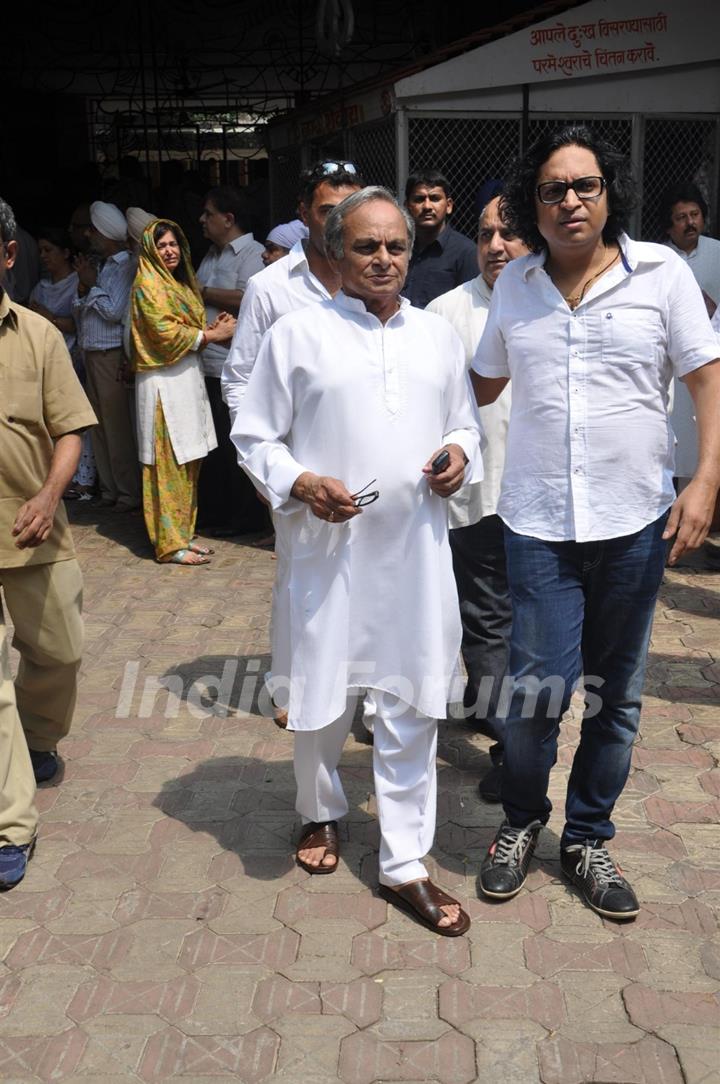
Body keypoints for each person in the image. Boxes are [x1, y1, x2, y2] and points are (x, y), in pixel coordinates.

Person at [471, 125, 720, 920]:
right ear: (531, 206)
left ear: (610, 195)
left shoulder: (663, 275)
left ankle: (587, 838)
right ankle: (519, 824)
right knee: (536, 694)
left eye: (585, 186)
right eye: (553, 189)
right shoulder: (515, 285)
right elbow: (477, 382)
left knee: (616, 697)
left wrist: (707, 478)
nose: (571, 200)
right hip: (539, 525)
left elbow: (706, 377)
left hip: (634, 524)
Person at [231, 187, 482, 936]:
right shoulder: (298, 336)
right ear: (337, 252)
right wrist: (301, 483)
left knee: (411, 706)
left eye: (395, 246)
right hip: (327, 551)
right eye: (366, 246)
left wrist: (458, 456)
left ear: (411, 252)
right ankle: (319, 810)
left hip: (413, 555)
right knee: (320, 694)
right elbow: (255, 437)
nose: (383, 259)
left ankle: (405, 862)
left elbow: (463, 419)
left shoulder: (436, 336)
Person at [427, 194, 529, 802]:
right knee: (488, 621)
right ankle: (507, 747)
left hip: (545, 503)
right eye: (487, 233)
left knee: (528, 626)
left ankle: (500, 718)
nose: (495, 245)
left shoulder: (554, 304)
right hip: (474, 497)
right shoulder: (444, 313)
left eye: (509, 234)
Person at [0, 195, 97, 813]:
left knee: (60, 651)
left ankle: (37, 740)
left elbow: (70, 430)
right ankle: (11, 818)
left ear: (8, 255)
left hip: (31, 525)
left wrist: (48, 494)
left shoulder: (37, 335)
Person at [221, 161, 364, 419]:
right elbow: (240, 380)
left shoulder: (374, 282)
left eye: (351, 211)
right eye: (328, 212)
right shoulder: (268, 288)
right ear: (304, 214)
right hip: (294, 452)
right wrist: (258, 453)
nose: (340, 223)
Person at [130, 219, 236, 565]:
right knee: (167, 462)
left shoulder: (179, 283)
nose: (169, 251)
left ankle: (183, 533)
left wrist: (209, 330)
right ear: (150, 250)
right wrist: (211, 337)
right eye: (162, 246)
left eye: (174, 244)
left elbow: (186, 331)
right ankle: (168, 542)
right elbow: (164, 333)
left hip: (186, 379)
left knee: (190, 459)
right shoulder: (148, 284)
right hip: (163, 384)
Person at [196, 186, 265, 537]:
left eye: (209, 213)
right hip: (206, 364)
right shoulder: (210, 255)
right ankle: (218, 515)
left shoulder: (251, 253)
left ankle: (246, 520)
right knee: (215, 448)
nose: (202, 220)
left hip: (233, 368)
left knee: (235, 447)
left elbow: (246, 297)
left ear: (229, 218)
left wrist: (201, 292)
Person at [73, 201, 140, 512]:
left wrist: (91, 285)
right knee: (98, 427)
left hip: (111, 355)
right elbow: (81, 306)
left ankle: (127, 493)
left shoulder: (126, 266)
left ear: (106, 234)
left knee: (117, 428)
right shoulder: (100, 265)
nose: (89, 236)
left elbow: (114, 311)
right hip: (92, 354)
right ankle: (109, 489)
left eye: (94, 231)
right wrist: (88, 286)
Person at [29, 228, 96, 501]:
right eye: (40, 251)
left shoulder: (75, 283)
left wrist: (49, 319)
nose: (44, 256)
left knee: (76, 420)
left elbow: (78, 324)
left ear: (66, 252)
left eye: (49, 250)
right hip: (43, 359)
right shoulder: (40, 287)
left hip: (73, 356)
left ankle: (83, 479)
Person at [660, 182, 720, 488]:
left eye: (695, 215)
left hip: (711, 359)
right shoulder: (659, 261)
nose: (690, 222)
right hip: (672, 368)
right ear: (669, 226)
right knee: (674, 442)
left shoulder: (718, 253)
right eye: (681, 217)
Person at [403, 170, 478, 308]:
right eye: (419, 199)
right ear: (407, 206)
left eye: (435, 198)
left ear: (449, 205)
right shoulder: (399, 249)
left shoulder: (466, 252)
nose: (427, 206)